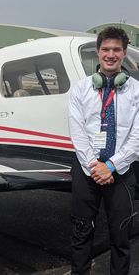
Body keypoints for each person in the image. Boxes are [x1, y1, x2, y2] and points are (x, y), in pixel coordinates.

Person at [68, 26, 139, 274]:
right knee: (81, 231)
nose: (111, 54)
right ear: (98, 52)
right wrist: (94, 164)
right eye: (106, 49)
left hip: (121, 171)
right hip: (87, 169)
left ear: (124, 52)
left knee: (121, 235)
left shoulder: (136, 91)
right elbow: (77, 132)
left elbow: (137, 137)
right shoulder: (81, 89)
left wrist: (111, 165)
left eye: (116, 49)